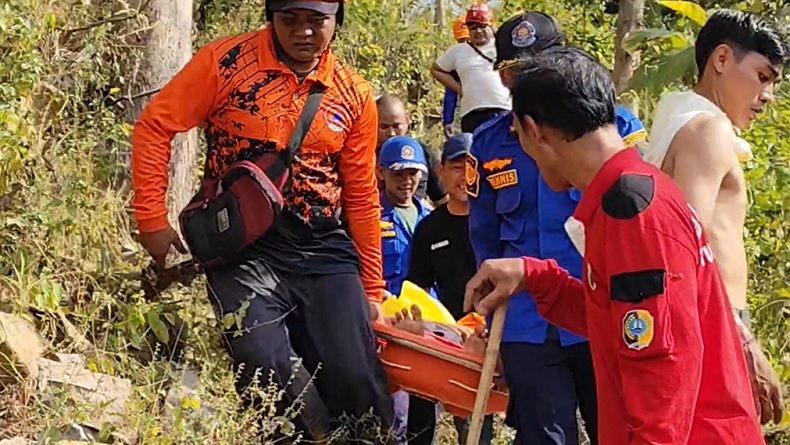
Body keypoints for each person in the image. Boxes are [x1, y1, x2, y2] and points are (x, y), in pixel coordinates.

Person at [465, 45, 765, 445]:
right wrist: (535, 277)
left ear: (534, 131)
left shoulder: (631, 212)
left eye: (518, 135)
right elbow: (617, 323)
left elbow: (663, 368)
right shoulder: (627, 194)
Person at [130, 0, 393, 440]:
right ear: (271, 17)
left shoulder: (353, 93)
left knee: (356, 378)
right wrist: (151, 219)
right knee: (264, 366)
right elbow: (156, 126)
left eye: (317, 21)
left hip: (322, 246)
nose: (303, 31)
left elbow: (362, 195)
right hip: (242, 244)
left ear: (337, 20)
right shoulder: (225, 62)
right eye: (290, 19)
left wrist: (372, 288)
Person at [467, 12, 647, 445]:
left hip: (599, 309)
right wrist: (487, 321)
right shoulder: (489, 144)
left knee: (617, 430)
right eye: (514, 72)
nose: (527, 82)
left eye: (540, 67)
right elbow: (484, 238)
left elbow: (637, 228)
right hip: (525, 321)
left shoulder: (612, 128)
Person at [641, 9, 786, 425]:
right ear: (721, 59)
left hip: (705, 319)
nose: (768, 96)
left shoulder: (682, 123)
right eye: (762, 77)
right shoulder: (708, 130)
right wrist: (743, 342)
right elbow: (689, 248)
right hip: (713, 322)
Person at [404, 133, 495, 445]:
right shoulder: (430, 228)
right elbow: (417, 288)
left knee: (477, 429)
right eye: (457, 167)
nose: (465, 176)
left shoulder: (497, 222)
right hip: (447, 337)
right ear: (440, 172)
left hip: (491, 336)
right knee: (421, 407)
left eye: (472, 167)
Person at [377, 135, 435, 444]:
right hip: (389, 330)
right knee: (396, 413)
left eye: (413, 173)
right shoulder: (369, 216)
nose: (407, 181)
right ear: (381, 172)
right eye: (399, 173)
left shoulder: (430, 218)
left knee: (426, 413)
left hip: (427, 330)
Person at [430, 3, 511, 133]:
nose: (478, 31)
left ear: (491, 25)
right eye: (473, 28)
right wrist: (459, 90)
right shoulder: (458, 51)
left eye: (482, 26)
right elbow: (436, 70)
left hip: (503, 111)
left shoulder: (504, 46)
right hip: (472, 115)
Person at [376, 94, 447, 205]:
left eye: (396, 126)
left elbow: (442, 200)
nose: (391, 133)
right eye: (384, 127)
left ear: (407, 121)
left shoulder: (422, 153)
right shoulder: (363, 157)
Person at [442, 17, 470, 137]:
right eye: (461, 40)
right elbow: (450, 94)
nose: (464, 43)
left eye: (466, 39)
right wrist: (448, 121)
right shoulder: (455, 59)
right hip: (467, 114)